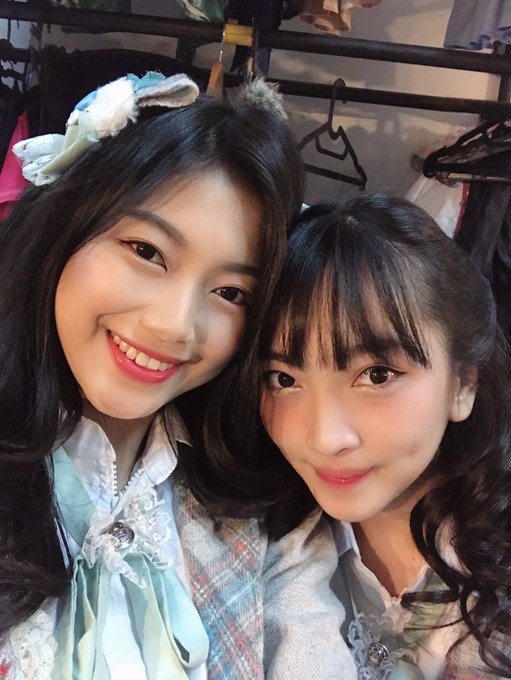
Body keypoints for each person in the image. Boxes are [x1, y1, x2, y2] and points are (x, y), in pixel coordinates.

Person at [0, 72, 356, 680]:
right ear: (65, 227)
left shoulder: (266, 511)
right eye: (146, 252)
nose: (174, 326)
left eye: (230, 292)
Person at [258, 196, 511, 679]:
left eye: (376, 375)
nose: (326, 438)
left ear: (463, 384)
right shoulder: (255, 547)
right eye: (284, 379)